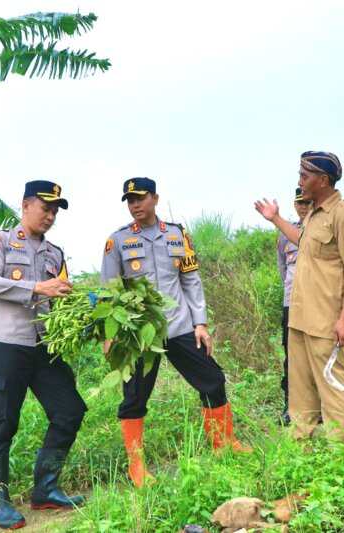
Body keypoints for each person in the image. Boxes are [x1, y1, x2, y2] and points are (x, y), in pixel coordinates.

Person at [100, 177, 250, 489]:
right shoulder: (118, 241)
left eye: (140, 198)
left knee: (213, 380)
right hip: (140, 333)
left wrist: (201, 323)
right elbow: (109, 291)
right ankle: (136, 467)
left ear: (155, 198)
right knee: (135, 397)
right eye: (129, 200)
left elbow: (191, 280)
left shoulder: (177, 234)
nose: (135, 205)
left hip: (180, 325)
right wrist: (109, 335)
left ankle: (224, 444)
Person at [0, 180, 86, 529]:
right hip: (5, 344)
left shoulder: (55, 253)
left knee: (69, 409)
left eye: (55, 210)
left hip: (42, 346)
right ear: (25, 206)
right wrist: (37, 286)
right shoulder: (0, 242)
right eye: (46, 207)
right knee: (3, 421)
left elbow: (59, 298)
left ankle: (46, 488)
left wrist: (84, 308)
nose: (51, 215)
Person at [255, 151, 344, 441]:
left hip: (327, 321)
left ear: (323, 180)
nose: (300, 181)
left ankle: (342, 450)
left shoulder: (343, 215)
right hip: (301, 318)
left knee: (333, 386)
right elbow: (301, 241)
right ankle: (301, 449)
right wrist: (276, 218)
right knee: (300, 389)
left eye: (305, 176)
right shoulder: (314, 214)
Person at [276, 188, 312, 424]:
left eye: (307, 202)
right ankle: (291, 405)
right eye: (299, 203)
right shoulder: (284, 234)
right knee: (292, 355)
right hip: (292, 301)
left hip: (318, 302)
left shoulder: (323, 227)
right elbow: (283, 268)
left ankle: (317, 407)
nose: (303, 206)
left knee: (316, 353)